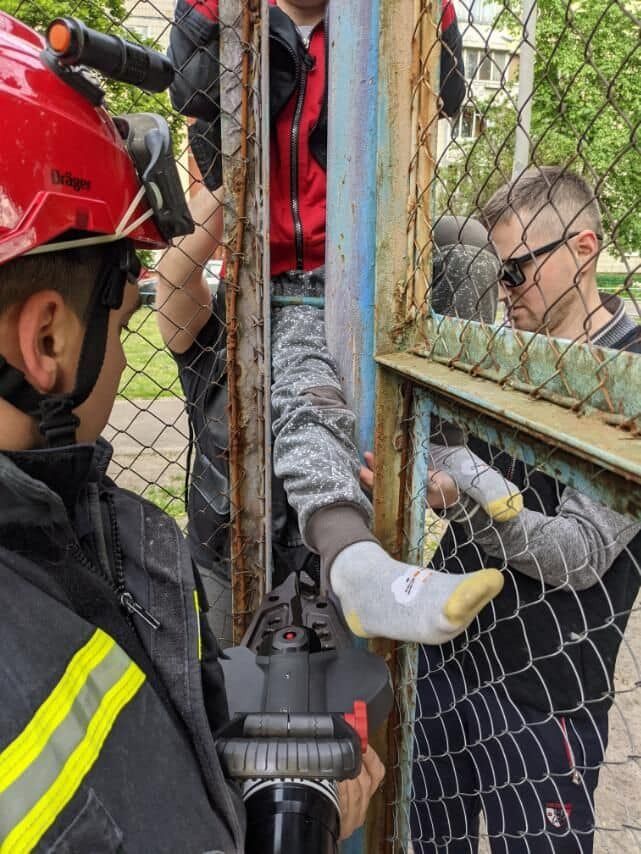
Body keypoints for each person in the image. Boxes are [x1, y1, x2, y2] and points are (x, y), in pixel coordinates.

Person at [0, 13, 383, 849]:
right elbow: (180, 290)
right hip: (230, 566)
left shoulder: (71, 547)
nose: (137, 304)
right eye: (120, 285)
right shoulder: (224, 352)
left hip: (318, 600)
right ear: (47, 340)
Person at [160, 0, 503, 648]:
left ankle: (443, 446)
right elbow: (196, 138)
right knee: (305, 391)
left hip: (367, 267)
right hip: (278, 280)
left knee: (467, 246)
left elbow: (439, 108)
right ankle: (358, 567)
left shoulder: (395, 19)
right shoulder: (231, 19)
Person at [410, 166, 641, 854]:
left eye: (513, 272)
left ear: (582, 248)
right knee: (425, 840)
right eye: (493, 274)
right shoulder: (499, 347)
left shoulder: (630, 371)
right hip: (447, 656)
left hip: (545, 689)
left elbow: (579, 552)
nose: (501, 292)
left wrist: (466, 493)